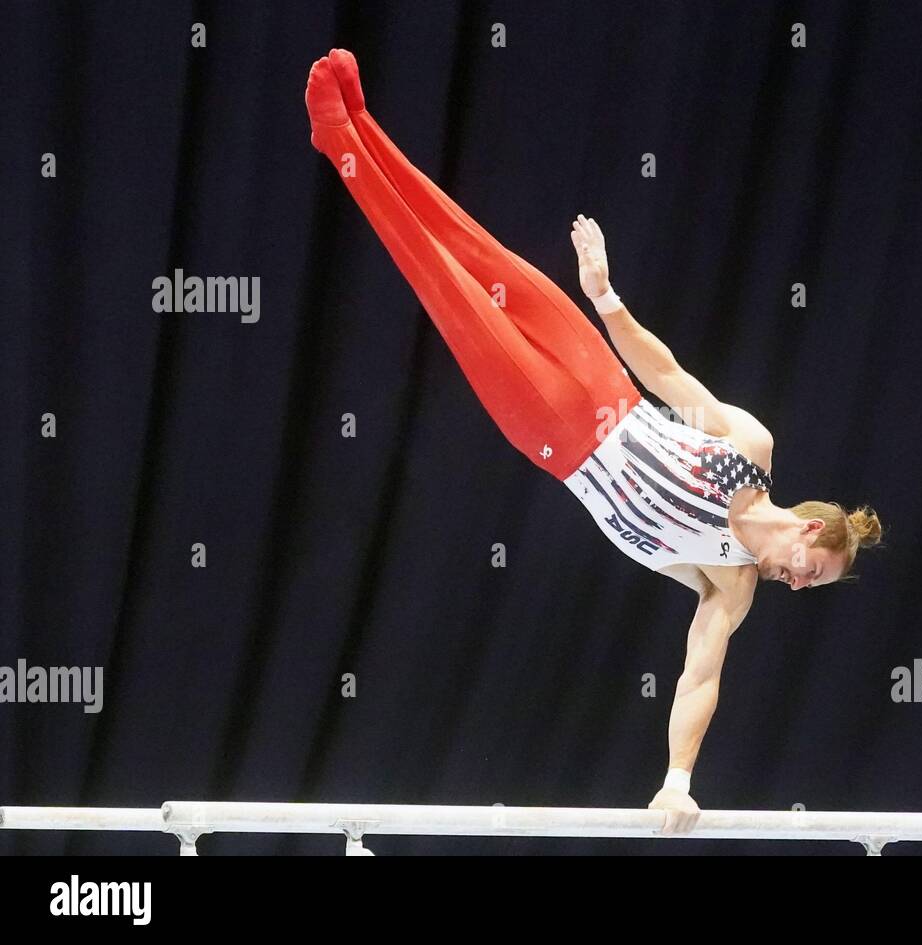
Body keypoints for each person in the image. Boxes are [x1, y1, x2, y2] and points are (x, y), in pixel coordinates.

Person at [305, 50, 882, 833]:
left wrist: (678, 778)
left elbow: (697, 679)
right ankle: (365, 126)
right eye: (810, 570)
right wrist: (606, 297)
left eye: (810, 584)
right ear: (811, 528)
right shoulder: (753, 443)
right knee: (474, 247)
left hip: (557, 435)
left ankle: (340, 142)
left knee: (443, 282)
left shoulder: (729, 585)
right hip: (599, 370)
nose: (798, 583)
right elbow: (670, 374)